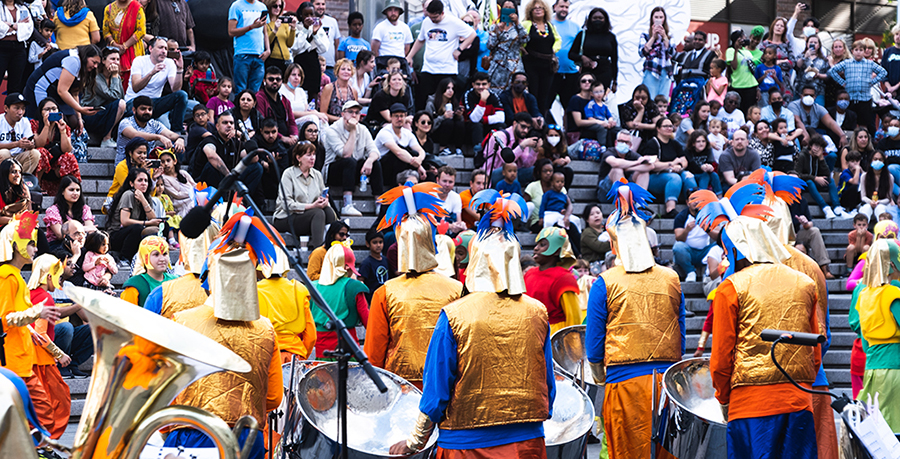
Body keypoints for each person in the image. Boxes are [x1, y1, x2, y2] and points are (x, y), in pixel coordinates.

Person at [389, 190, 555, 458]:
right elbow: (547, 384)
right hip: (527, 444)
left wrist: (415, 441)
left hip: (467, 446)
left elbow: (437, 391)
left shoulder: (454, 315)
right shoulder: (537, 312)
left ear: (477, 259)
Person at [691, 185, 820, 459]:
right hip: (798, 400)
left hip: (750, 406)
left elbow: (722, 358)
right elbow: (815, 349)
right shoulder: (804, 283)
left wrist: (723, 399)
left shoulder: (731, 287)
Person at [167, 214, 282, 459]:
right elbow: (273, 397)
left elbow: (167, 389)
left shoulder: (182, 320)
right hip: (247, 438)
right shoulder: (267, 329)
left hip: (193, 431)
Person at [586, 179, 684, 459]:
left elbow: (594, 343)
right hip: (667, 384)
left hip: (624, 383)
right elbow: (680, 327)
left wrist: (598, 374)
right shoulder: (672, 278)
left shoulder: (604, 282)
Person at [365, 182, 462, 388]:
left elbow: (374, 354)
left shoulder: (384, 293)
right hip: (446, 387)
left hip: (399, 389)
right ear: (430, 242)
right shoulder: (456, 289)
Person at [0, 211, 61, 435]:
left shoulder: (15, 276)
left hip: (22, 360)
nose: (35, 249)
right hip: (12, 362)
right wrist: (37, 312)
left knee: (40, 413)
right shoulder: (6, 276)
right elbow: (5, 319)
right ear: (16, 245)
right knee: (42, 412)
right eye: (32, 243)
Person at [849, 238, 900, 432]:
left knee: (880, 430)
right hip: (894, 368)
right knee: (894, 430)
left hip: (872, 369)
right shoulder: (891, 293)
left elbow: (858, 327)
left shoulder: (864, 294)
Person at [25, 254, 70, 439]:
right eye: (57, 274)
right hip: (42, 361)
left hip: (27, 358)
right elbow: (40, 333)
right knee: (58, 403)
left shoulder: (28, 294)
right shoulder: (45, 298)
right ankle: (44, 443)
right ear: (49, 276)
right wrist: (60, 354)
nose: (60, 279)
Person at [406, 0, 476, 107]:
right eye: (430, 17)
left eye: (435, 17)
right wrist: (410, 56)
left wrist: (460, 49)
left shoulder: (454, 22)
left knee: (445, 102)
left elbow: (472, 34)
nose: (433, 20)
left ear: (442, 13)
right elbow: (420, 40)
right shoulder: (427, 22)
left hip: (447, 69)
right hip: (428, 68)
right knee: (424, 100)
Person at [24, 44, 103, 133]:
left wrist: (80, 118)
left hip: (56, 91)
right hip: (41, 88)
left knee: (73, 121)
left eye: (98, 64)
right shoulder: (74, 60)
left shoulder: (83, 66)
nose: (95, 66)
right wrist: (80, 109)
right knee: (54, 119)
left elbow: (74, 93)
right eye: (94, 62)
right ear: (85, 57)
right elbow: (62, 90)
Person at [322, 99, 383, 215]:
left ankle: (379, 203)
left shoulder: (363, 129)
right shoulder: (332, 130)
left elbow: (374, 151)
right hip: (333, 172)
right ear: (343, 114)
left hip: (353, 170)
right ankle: (347, 204)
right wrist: (353, 131)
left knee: (375, 163)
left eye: (357, 112)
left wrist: (369, 160)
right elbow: (345, 154)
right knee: (349, 161)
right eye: (350, 112)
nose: (354, 115)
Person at [309, 241, 369, 356]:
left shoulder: (312, 287)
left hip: (322, 350)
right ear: (347, 267)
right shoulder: (354, 287)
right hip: (349, 347)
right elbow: (368, 322)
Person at [256, 248, 317, 362]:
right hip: (294, 355)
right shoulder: (298, 289)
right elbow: (311, 335)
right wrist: (303, 355)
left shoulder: (254, 290)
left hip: (266, 356)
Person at [274, 141, 337, 249]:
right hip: (286, 217)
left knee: (329, 212)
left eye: (314, 154)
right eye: (308, 155)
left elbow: (322, 196)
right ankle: (318, 252)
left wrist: (324, 202)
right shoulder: (288, 174)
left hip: (310, 216)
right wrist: (312, 206)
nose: (312, 158)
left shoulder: (317, 174)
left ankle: (333, 248)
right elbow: (287, 205)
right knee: (318, 213)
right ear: (298, 158)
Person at [193, 111, 264, 202]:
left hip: (228, 182)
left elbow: (254, 159)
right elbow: (211, 156)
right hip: (206, 183)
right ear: (217, 126)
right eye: (225, 123)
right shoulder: (210, 139)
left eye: (231, 123)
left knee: (256, 167)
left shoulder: (235, 143)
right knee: (212, 166)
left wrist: (244, 137)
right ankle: (219, 201)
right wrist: (230, 177)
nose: (229, 125)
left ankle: (240, 199)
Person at [124, 37, 188, 135]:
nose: (164, 51)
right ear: (150, 49)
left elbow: (175, 90)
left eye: (166, 49)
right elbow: (136, 88)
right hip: (133, 102)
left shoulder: (169, 63)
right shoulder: (139, 61)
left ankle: (177, 131)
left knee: (182, 95)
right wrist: (152, 73)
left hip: (154, 104)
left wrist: (180, 69)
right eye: (161, 48)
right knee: (163, 127)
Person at [526, 226, 580, 334]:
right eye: (537, 244)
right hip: (529, 332)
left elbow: (573, 316)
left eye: (543, 245)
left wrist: (572, 343)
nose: (536, 248)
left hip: (552, 336)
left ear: (557, 251)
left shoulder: (564, 278)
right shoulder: (529, 274)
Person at [829, 39, 887, 136]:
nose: (858, 52)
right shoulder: (847, 63)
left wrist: (872, 82)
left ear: (864, 51)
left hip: (865, 99)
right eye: (856, 50)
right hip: (850, 98)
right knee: (849, 123)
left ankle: (864, 142)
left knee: (864, 124)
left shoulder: (870, 64)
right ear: (852, 51)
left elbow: (883, 72)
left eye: (861, 50)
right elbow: (833, 71)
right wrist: (842, 83)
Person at [639, 117, 693, 217]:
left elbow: (684, 160)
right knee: (674, 178)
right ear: (658, 129)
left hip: (673, 172)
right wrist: (671, 164)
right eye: (665, 126)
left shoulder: (675, 143)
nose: (669, 128)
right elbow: (653, 165)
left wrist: (679, 166)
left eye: (670, 126)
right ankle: (670, 209)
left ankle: (694, 206)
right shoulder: (652, 143)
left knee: (688, 176)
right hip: (654, 177)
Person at [105, 168, 161, 265]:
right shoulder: (128, 194)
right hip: (116, 235)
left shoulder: (146, 197)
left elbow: (153, 219)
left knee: (159, 228)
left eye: (146, 181)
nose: (143, 183)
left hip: (134, 233)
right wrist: (147, 223)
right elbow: (124, 221)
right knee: (137, 229)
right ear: (131, 183)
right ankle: (124, 258)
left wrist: (143, 201)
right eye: (140, 180)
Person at [31, 98, 80, 196]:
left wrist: (62, 131)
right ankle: (37, 186)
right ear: (41, 112)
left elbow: (67, 149)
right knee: (41, 151)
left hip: (56, 165)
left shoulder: (64, 126)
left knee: (69, 157)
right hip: (41, 166)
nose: (51, 112)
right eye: (47, 109)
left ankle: (70, 188)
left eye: (54, 109)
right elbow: (39, 144)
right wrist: (46, 126)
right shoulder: (34, 124)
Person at [115, 96, 184, 163]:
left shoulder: (154, 124)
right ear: (134, 110)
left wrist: (179, 138)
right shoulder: (125, 122)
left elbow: (170, 134)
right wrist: (158, 137)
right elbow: (136, 135)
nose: (147, 112)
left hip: (147, 166)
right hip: (126, 165)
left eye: (149, 109)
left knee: (176, 149)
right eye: (143, 109)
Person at [81, 47, 126, 148]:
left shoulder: (116, 77)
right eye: (112, 59)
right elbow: (114, 97)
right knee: (120, 104)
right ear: (103, 60)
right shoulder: (95, 77)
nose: (116, 62)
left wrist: (115, 77)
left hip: (105, 112)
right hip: (91, 113)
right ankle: (107, 138)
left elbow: (121, 97)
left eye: (118, 59)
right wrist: (115, 76)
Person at [519, 0, 558, 116]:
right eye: (535, 8)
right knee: (533, 93)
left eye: (540, 8)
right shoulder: (526, 24)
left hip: (547, 65)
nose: (538, 10)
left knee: (545, 95)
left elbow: (557, 39)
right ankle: (532, 119)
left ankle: (541, 121)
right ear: (530, 11)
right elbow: (519, 38)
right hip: (532, 64)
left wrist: (554, 49)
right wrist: (522, 49)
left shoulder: (549, 25)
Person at [376, 103, 428, 186]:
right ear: (391, 117)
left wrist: (419, 160)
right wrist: (418, 165)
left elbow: (420, 150)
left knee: (415, 154)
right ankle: (396, 187)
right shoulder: (385, 132)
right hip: (382, 169)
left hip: (401, 166)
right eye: (396, 116)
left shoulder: (407, 133)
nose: (399, 119)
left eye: (402, 116)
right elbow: (398, 152)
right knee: (398, 156)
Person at [796, 135, 846, 219]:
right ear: (811, 145)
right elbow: (797, 174)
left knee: (831, 181)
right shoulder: (802, 156)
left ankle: (837, 207)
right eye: (815, 145)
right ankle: (825, 207)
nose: (817, 149)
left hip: (815, 183)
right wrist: (814, 178)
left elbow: (827, 175)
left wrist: (821, 158)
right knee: (809, 181)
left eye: (820, 147)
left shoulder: (819, 158)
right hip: (804, 184)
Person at [568, 7, 617, 89]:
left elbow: (614, 59)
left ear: (605, 20)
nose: (597, 20)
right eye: (595, 18)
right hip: (587, 73)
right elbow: (571, 54)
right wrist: (582, 57)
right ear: (590, 19)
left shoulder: (610, 37)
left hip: (605, 72)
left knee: (600, 97)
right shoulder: (583, 35)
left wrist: (615, 80)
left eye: (600, 18)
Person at [596, 130, 653, 200]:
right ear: (616, 142)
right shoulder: (609, 152)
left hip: (627, 188)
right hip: (606, 191)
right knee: (617, 169)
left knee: (644, 172)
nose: (623, 144)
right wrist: (636, 163)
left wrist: (629, 168)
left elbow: (650, 166)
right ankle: (624, 203)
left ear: (630, 145)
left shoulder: (631, 154)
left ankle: (639, 204)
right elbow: (615, 163)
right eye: (621, 141)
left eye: (626, 142)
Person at [228, 0, 270, 94]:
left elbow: (265, 31)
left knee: (256, 91)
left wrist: (268, 50)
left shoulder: (262, 6)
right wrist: (251, 27)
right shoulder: (236, 6)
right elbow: (231, 31)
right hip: (242, 53)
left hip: (259, 54)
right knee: (241, 90)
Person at [43, 176, 96, 251]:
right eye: (71, 190)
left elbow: (91, 231)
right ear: (62, 191)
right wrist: (83, 229)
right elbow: (60, 235)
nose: (75, 193)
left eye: (78, 190)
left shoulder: (84, 209)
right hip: (58, 246)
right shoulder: (53, 210)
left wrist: (72, 231)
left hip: (81, 243)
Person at [290, 1, 328, 101]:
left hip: (313, 64)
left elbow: (324, 48)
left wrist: (315, 34)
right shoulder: (296, 27)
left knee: (313, 95)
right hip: (299, 63)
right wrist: (305, 29)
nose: (309, 17)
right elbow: (296, 47)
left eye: (311, 14)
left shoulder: (318, 27)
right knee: (298, 92)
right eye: (306, 15)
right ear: (300, 15)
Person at [102, 0, 145, 85]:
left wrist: (125, 46)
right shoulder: (109, 9)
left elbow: (141, 31)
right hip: (113, 51)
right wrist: (115, 45)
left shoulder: (137, 8)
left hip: (133, 50)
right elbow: (105, 31)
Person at [673, 197, 716, 282]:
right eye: (692, 199)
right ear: (687, 202)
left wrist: (707, 229)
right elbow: (678, 238)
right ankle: (690, 272)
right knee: (678, 247)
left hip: (705, 252)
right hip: (689, 252)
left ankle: (708, 272)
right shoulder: (681, 216)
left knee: (720, 244)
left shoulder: (709, 216)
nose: (695, 202)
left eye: (698, 199)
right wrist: (687, 230)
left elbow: (717, 236)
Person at [0, 0, 36, 95]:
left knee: (16, 83)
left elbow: (29, 28)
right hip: (2, 46)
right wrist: (18, 26)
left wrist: (10, 25)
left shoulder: (23, 8)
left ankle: (12, 108)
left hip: (19, 48)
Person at [256, 66, 299, 145]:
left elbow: (292, 122)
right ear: (264, 81)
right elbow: (262, 123)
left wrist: (294, 136)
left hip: (287, 139)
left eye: (278, 79)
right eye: (271, 79)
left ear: (282, 81)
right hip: (270, 140)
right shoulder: (259, 98)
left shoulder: (285, 100)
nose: (275, 81)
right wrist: (282, 138)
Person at [639, 7, 675, 99]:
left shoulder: (670, 35)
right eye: (656, 17)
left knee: (663, 99)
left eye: (661, 17)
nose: (658, 19)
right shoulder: (645, 35)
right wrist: (653, 37)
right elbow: (642, 52)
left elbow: (672, 52)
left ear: (664, 19)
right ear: (652, 18)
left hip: (666, 70)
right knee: (650, 97)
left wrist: (664, 36)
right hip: (651, 69)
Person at [0, 93, 40, 175]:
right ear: (6, 108)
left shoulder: (24, 121)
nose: (20, 112)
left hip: (18, 157)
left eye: (23, 108)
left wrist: (30, 144)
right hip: (3, 157)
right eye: (16, 108)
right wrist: (16, 144)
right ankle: (4, 182)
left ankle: (21, 182)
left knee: (35, 154)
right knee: (4, 153)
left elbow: (31, 143)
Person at [463, 72, 505, 149]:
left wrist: (483, 119)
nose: (481, 87)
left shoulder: (493, 96)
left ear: (489, 85)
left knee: (501, 126)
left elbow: (501, 118)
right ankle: (478, 150)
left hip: (486, 125)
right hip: (471, 129)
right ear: (473, 85)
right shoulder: (468, 95)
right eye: (478, 84)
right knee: (477, 125)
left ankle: (499, 147)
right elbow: (474, 119)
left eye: (484, 84)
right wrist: (483, 101)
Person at [426, 77, 467, 155]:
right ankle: (442, 148)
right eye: (448, 88)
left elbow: (459, 122)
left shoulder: (454, 102)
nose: (450, 91)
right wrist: (443, 117)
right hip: (436, 132)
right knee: (448, 122)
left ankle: (458, 148)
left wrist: (459, 116)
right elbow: (429, 125)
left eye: (452, 88)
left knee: (459, 124)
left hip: (452, 132)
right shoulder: (431, 102)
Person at [551, 0, 580, 108]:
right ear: (555, 7)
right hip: (551, 71)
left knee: (570, 107)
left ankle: (567, 125)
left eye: (566, 7)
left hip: (570, 72)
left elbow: (580, 48)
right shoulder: (548, 24)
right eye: (561, 6)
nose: (564, 9)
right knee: (545, 103)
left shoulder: (575, 27)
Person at [280, 64, 327, 128]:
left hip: (303, 120)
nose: (296, 77)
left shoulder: (300, 91)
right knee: (313, 118)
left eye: (299, 75)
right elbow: (289, 112)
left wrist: (319, 114)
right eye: (293, 75)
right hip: (290, 123)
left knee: (323, 119)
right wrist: (313, 114)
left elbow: (308, 108)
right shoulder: (281, 90)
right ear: (287, 76)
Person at [726, 30, 759, 113]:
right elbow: (734, 67)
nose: (744, 39)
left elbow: (752, 68)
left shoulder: (747, 52)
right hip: (738, 84)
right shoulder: (730, 50)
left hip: (751, 84)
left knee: (749, 110)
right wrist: (736, 49)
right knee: (738, 109)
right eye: (742, 38)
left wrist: (757, 89)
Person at [859, 150, 895, 223]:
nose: (877, 161)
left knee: (880, 208)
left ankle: (882, 231)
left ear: (884, 161)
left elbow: (888, 197)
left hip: (883, 204)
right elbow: (863, 196)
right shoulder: (864, 176)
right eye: (875, 159)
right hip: (867, 203)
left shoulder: (889, 177)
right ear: (871, 161)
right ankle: (862, 231)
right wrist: (870, 202)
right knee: (866, 209)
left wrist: (878, 202)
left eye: (880, 159)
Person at [319, 58, 358, 123]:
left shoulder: (354, 91)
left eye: (348, 70)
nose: (346, 72)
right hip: (331, 125)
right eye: (343, 69)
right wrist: (342, 120)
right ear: (337, 71)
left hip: (349, 125)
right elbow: (323, 114)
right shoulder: (329, 88)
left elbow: (356, 112)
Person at [685, 130, 722, 196]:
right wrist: (701, 167)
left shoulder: (708, 149)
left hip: (705, 172)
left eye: (703, 141)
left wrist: (709, 167)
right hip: (693, 173)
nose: (701, 144)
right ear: (693, 143)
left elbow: (710, 162)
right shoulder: (688, 151)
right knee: (705, 175)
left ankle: (719, 195)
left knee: (714, 175)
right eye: (698, 141)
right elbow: (691, 165)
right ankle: (701, 195)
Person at [263, 0, 294, 71]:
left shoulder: (283, 23)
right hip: (272, 59)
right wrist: (275, 30)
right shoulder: (266, 23)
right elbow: (266, 43)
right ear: (269, 6)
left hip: (285, 59)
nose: (278, 8)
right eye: (275, 6)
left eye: (280, 6)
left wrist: (293, 29)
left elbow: (289, 44)